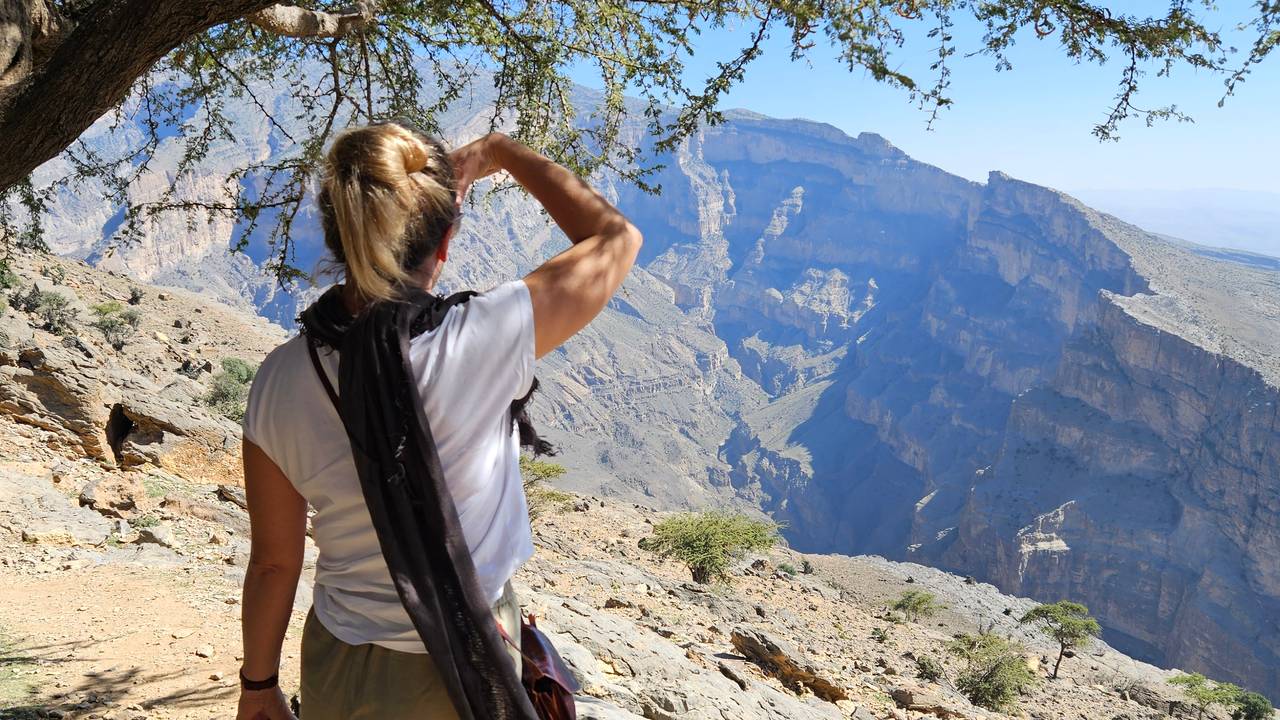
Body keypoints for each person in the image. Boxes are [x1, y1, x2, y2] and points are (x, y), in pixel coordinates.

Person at [234, 121, 642, 719]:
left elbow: (274, 562)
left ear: (338, 235)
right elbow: (616, 238)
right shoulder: (483, 338)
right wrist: (502, 151)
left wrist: (259, 686)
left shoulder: (279, 379)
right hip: (466, 656)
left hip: (343, 665)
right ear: (445, 243)